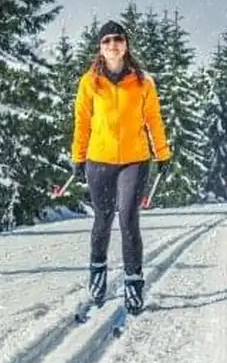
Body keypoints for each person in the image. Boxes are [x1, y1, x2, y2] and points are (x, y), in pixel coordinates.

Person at [70, 20, 172, 314]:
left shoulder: (143, 83)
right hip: (98, 160)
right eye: (106, 41)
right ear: (100, 48)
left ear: (126, 44)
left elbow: (154, 120)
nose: (112, 44)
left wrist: (162, 153)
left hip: (134, 160)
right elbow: (82, 122)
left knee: (128, 219)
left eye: (117, 39)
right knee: (102, 219)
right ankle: (98, 275)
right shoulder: (90, 82)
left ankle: (133, 283)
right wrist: (78, 157)